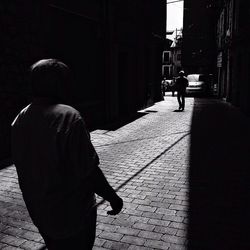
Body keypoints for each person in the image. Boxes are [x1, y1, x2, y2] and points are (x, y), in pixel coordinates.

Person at [11, 59, 123, 249]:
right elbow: (88, 170)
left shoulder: (21, 118)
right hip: (73, 213)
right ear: (58, 84)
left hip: (40, 212)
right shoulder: (68, 117)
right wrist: (113, 197)